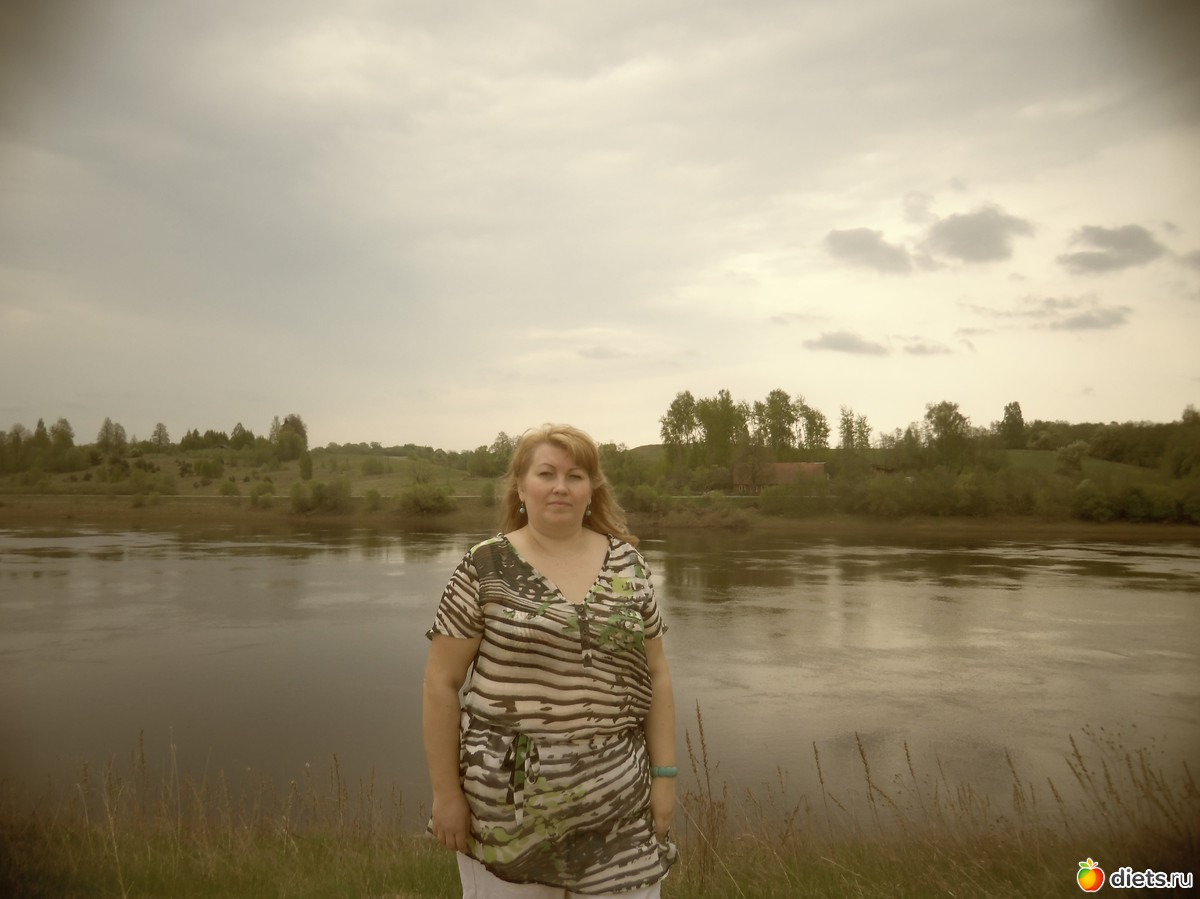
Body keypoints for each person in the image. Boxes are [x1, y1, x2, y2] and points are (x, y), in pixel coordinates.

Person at [423, 423, 678, 897]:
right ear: (521, 488)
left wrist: (664, 777)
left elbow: (658, 675)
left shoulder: (629, 565)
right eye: (546, 474)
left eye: (575, 476)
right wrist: (446, 793)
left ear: (591, 490)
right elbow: (441, 683)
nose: (561, 486)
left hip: (620, 809)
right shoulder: (483, 567)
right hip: (508, 817)